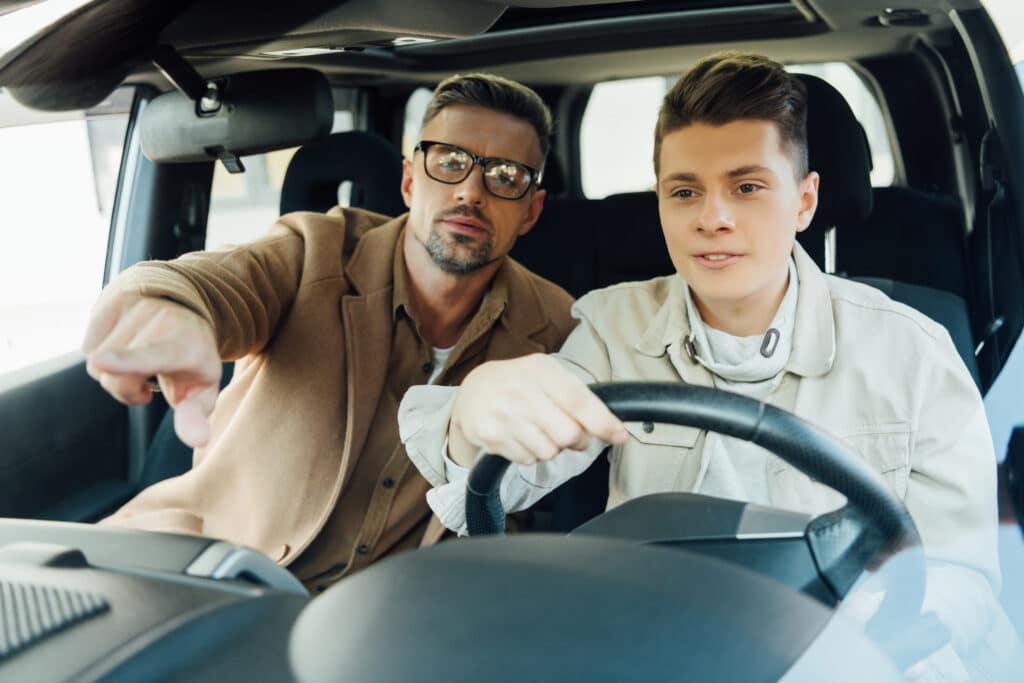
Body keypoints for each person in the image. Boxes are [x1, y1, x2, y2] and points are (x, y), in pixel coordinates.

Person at [399, 53, 1003, 677]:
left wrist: (858, 649)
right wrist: (473, 416)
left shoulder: (914, 351)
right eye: (684, 191)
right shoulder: (614, 327)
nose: (712, 218)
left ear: (803, 200)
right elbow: (514, 472)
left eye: (747, 187)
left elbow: (963, 577)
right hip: (655, 646)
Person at [82, 73, 576, 592]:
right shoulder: (314, 250)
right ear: (410, 182)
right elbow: (218, 282)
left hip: (387, 617)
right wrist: (170, 307)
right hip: (213, 571)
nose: (471, 191)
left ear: (531, 211)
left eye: (505, 175)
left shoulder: (552, 323)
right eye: (450, 163)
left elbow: (523, 497)